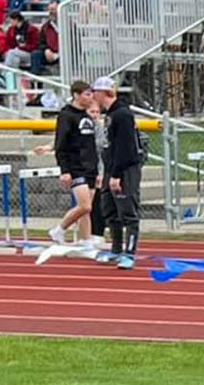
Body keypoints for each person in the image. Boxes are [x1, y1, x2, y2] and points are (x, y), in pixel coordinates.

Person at [36, 80, 99, 247]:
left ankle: (86, 240)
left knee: (88, 208)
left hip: (90, 166)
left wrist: (97, 169)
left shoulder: (87, 116)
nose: (90, 97)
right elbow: (61, 144)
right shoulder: (66, 116)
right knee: (84, 206)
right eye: (87, 94)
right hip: (75, 166)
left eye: (91, 93)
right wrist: (64, 170)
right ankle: (59, 229)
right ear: (76, 95)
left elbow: (90, 144)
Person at [91, 77, 143, 269]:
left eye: (95, 91)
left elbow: (125, 147)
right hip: (111, 168)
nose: (93, 95)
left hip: (124, 169)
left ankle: (130, 253)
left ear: (104, 92)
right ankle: (116, 248)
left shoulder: (122, 115)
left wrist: (117, 174)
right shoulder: (111, 114)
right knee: (110, 210)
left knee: (127, 210)